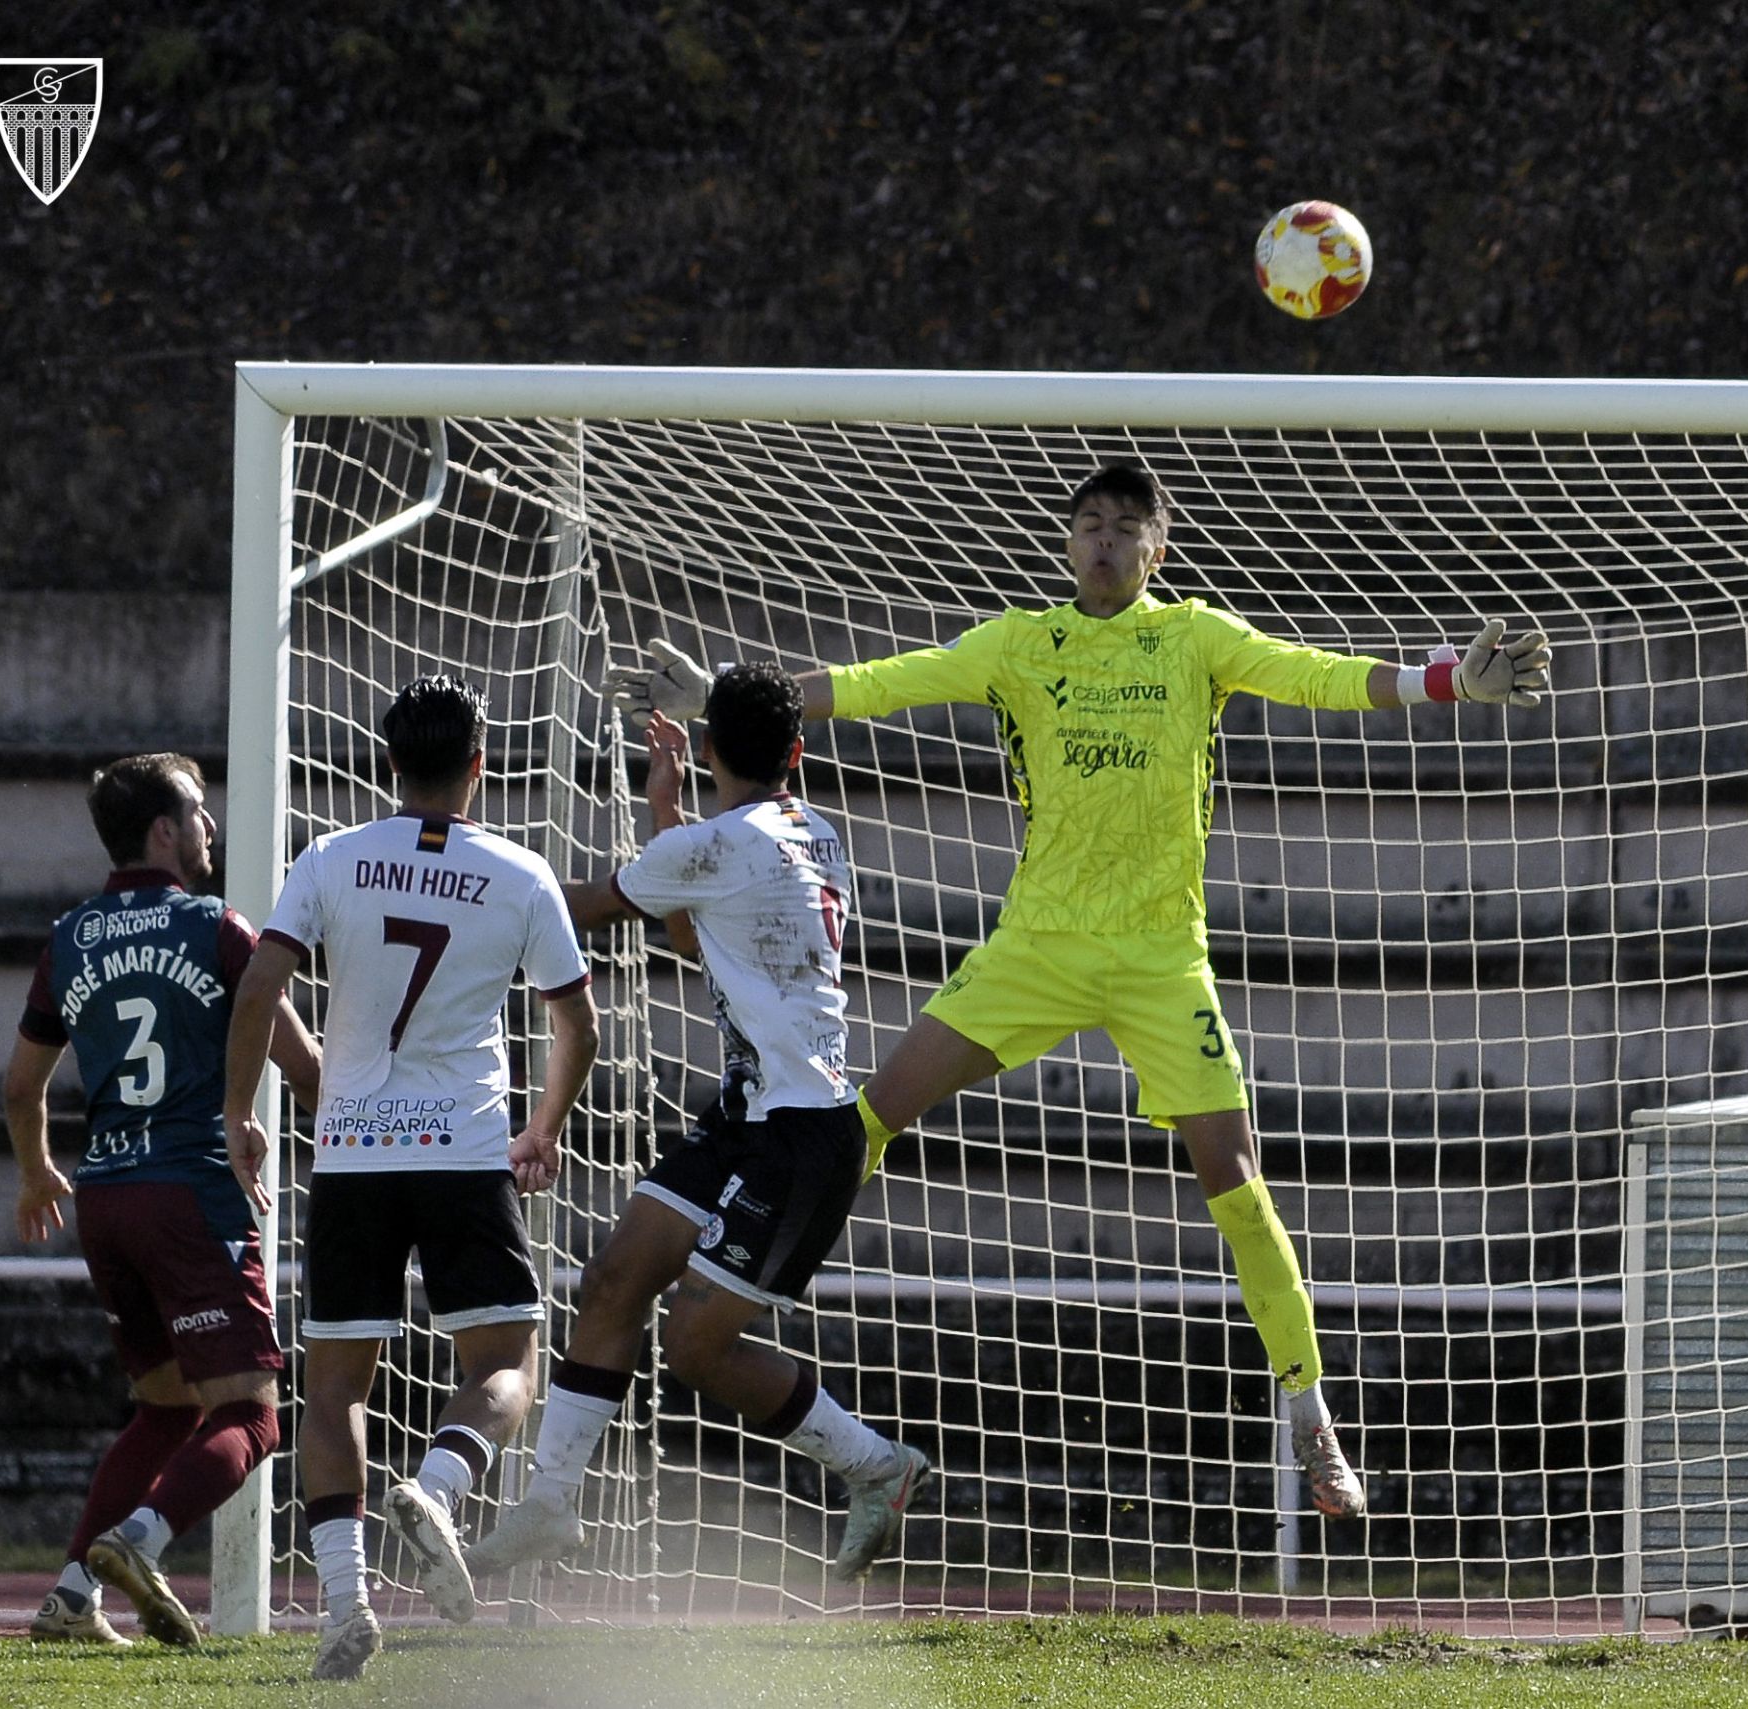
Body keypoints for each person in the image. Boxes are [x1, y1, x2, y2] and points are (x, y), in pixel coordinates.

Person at [605, 464, 1553, 1524]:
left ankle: (1311, 1412)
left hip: (1159, 958)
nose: (1104, 540)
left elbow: (1318, 677)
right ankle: (744, 1293)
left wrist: (1446, 681)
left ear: (1158, 547)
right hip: (1038, 947)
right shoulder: (1021, 643)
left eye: (1126, 527)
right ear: (1068, 543)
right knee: (864, 1117)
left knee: (1237, 1178)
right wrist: (718, 700)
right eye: (1089, 523)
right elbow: (875, 684)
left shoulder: (1194, 637)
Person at [462, 663, 928, 1590]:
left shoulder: (718, 845)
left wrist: (470, 892)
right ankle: (551, 1500)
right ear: (798, 753)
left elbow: (588, 907)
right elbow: (690, 929)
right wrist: (669, 810)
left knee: (693, 1346)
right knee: (613, 1278)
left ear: (708, 744)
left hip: (801, 1136)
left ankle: (876, 1463)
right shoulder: (812, 829)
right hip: (750, 1111)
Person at [222, 675, 599, 1682]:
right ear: (480, 763)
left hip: (352, 1152)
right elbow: (578, 1022)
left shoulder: (330, 857)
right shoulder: (520, 871)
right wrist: (543, 1127)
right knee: (507, 1363)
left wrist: (240, 1114)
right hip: (463, 1151)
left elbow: (259, 986)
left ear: (389, 762)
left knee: (335, 1386)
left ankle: (345, 1607)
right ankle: (438, 1482)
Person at [3, 752, 321, 1649]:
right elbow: (303, 1067)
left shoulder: (69, 936)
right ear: (162, 830)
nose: (208, 825)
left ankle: (73, 1594)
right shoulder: (215, 927)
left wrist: (37, 1171)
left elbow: (21, 1086)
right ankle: (139, 1541)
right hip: (190, 1194)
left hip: (105, 1198)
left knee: (166, 1407)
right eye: (196, 811)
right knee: (252, 1413)